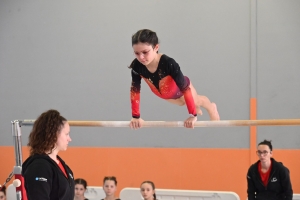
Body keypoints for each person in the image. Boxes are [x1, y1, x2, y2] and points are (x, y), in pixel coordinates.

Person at [129, 29, 220, 129]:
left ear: (156, 47)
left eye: (145, 52)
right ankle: (195, 107)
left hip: (182, 88)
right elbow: (135, 91)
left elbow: (184, 88)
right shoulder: (137, 66)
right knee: (182, 103)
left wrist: (192, 115)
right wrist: (136, 117)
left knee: (196, 101)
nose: (141, 57)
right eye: (136, 53)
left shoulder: (168, 63)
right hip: (167, 94)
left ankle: (211, 107)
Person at [22, 109, 75, 200]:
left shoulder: (60, 164)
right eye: (66, 134)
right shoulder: (39, 166)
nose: (69, 139)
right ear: (54, 134)